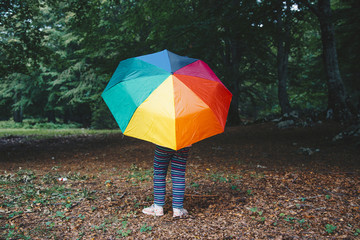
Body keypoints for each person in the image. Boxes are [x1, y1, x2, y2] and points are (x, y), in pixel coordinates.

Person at [142, 145, 191, 218]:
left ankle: (158, 207)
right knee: (179, 175)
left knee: (159, 173)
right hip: (183, 144)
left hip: (163, 143)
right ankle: (178, 210)